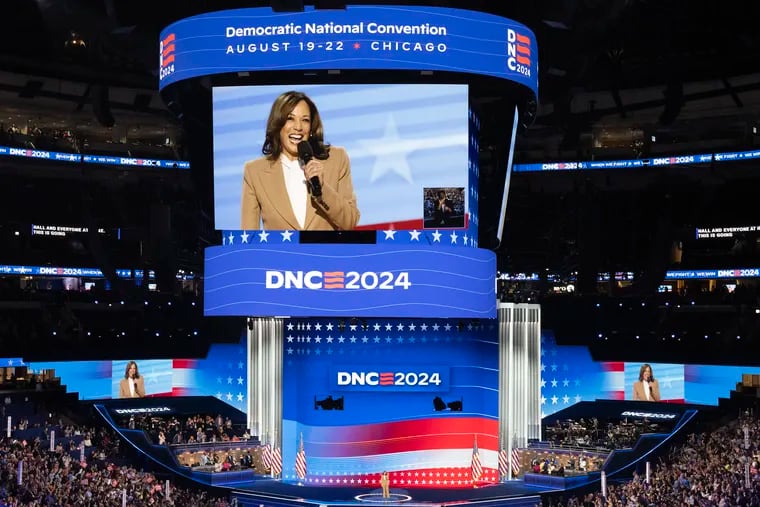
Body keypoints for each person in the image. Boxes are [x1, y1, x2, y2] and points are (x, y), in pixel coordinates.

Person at [241, 90, 360, 231]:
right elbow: (247, 237)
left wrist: (321, 188)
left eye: (305, 120)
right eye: (290, 118)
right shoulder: (254, 171)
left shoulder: (336, 158)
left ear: (311, 128)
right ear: (278, 124)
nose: (298, 127)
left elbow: (350, 221)